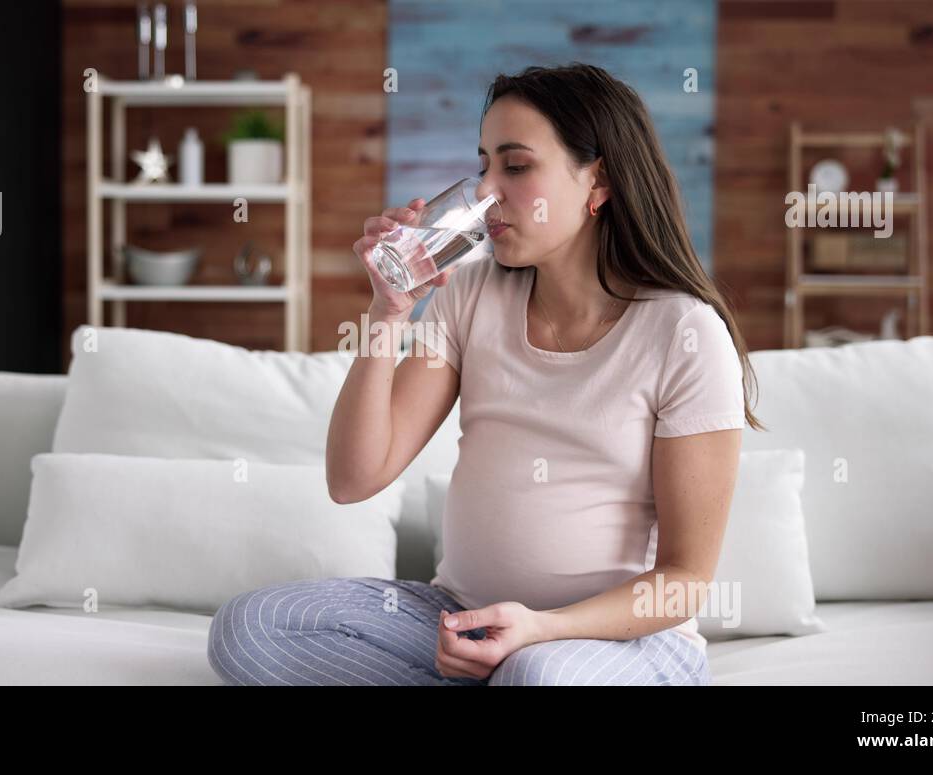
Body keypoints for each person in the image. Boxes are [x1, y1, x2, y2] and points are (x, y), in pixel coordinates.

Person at [207, 62, 765, 686]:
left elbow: (685, 583)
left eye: (516, 167)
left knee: (536, 676)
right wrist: (388, 309)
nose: (485, 194)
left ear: (598, 183)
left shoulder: (683, 332)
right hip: (459, 616)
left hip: (614, 641)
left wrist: (539, 630)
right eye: (483, 167)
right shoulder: (470, 294)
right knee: (252, 628)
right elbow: (352, 478)